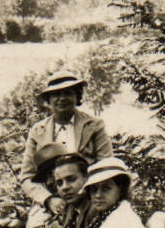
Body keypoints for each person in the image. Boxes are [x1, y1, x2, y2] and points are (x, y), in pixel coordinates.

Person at [18, 71, 112, 219]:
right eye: (56, 94)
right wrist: (48, 200)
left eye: (68, 93)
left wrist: (87, 193)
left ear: (77, 96)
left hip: (89, 199)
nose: (62, 99)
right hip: (50, 204)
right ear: (48, 99)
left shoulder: (94, 126)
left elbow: (106, 167)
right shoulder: (38, 131)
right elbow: (27, 177)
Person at [75, 157, 147, 228]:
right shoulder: (103, 216)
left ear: (121, 189)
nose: (98, 195)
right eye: (94, 189)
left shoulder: (123, 221)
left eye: (106, 189)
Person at [25, 143, 87, 228]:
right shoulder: (42, 206)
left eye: (51, 174)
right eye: (45, 178)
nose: (49, 182)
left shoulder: (91, 203)